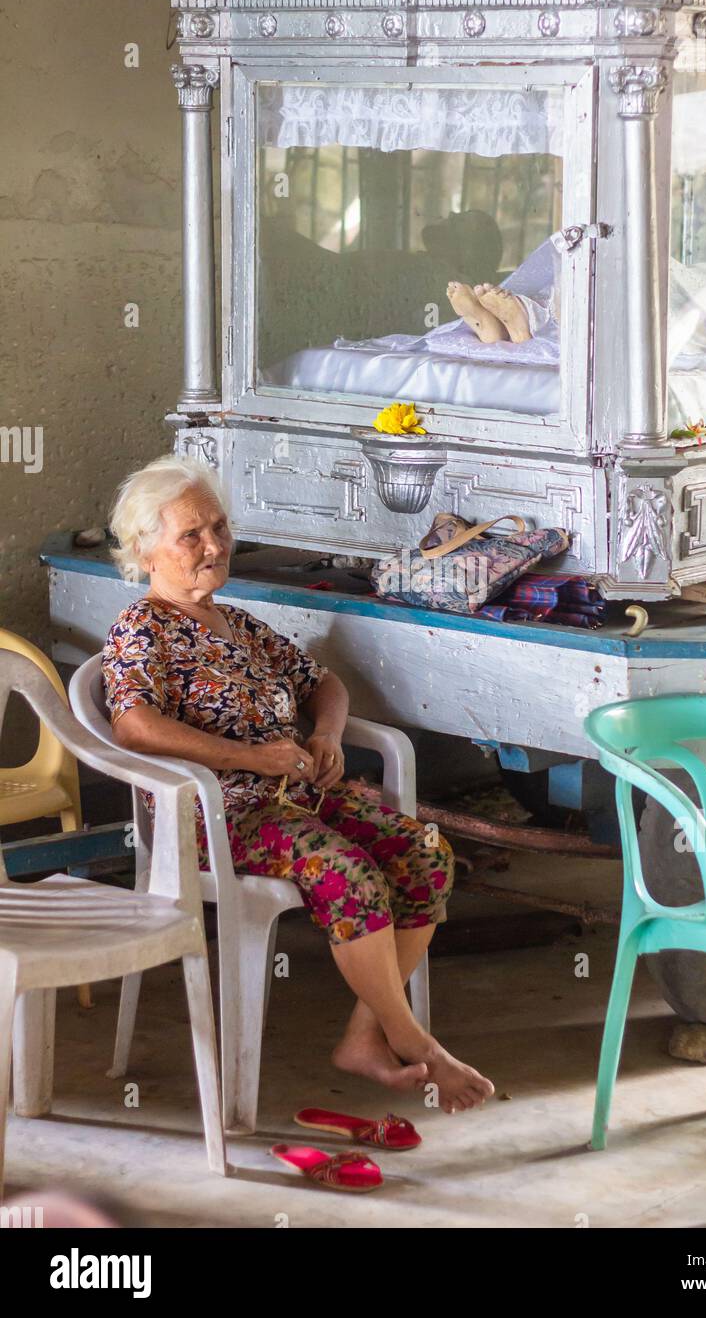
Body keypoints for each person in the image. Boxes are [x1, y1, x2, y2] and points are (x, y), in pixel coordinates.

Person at [103, 454, 494, 1114]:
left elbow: (325, 684)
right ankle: (415, 1041)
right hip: (217, 817)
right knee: (347, 870)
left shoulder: (241, 625)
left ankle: (366, 1037)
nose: (214, 545)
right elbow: (135, 726)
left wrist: (327, 736)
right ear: (145, 552)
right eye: (190, 535)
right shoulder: (141, 630)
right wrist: (250, 759)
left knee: (423, 852)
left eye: (220, 527)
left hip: (300, 795)